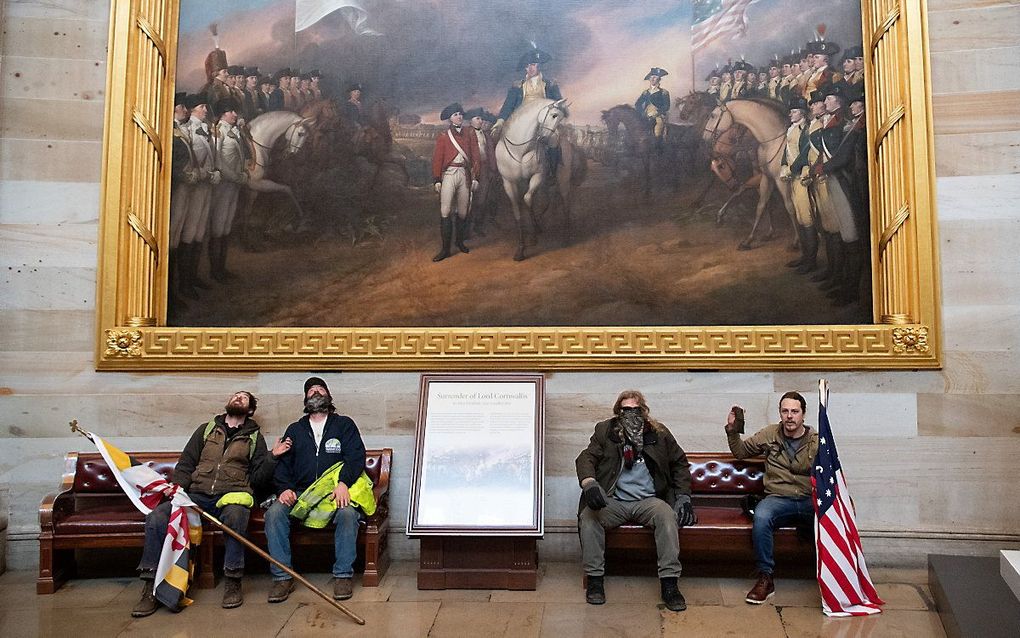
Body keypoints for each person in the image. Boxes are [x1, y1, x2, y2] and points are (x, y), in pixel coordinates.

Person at [131, 391, 286, 616]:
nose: (238, 398)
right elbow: (186, 464)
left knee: (236, 515)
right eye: (236, 396)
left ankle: (233, 581)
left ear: (250, 410)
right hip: (196, 494)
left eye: (243, 398)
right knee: (157, 517)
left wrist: (273, 456)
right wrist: (176, 489)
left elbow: (259, 478)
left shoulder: (254, 438)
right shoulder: (206, 429)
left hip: (231, 495)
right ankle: (149, 585)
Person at [575, 390, 695, 612]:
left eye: (635, 410)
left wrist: (683, 496)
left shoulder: (659, 433)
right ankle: (595, 579)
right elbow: (586, 457)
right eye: (625, 410)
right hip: (615, 500)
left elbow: (679, 463)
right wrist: (590, 482)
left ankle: (669, 583)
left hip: (648, 500)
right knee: (589, 517)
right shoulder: (605, 431)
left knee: (667, 516)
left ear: (644, 411)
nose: (631, 414)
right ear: (618, 412)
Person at [265, 377, 369, 603]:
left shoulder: (344, 425)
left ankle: (342, 575)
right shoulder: (295, 429)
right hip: (301, 492)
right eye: (311, 390)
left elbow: (355, 457)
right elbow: (283, 464)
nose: (315, 392)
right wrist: (284, 488)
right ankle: (283, 577)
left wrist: (344, 484)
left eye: (320, 389)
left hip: (334, 491)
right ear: (305, 399)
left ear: (328, 396)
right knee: (273, 514)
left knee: (348, 514)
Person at [724, 392, 819, 604]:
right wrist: (732, 430)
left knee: (833, 517)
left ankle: (836, 574)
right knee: (762, 515)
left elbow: (831, 473)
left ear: (803, 414)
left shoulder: (816, 441)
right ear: (780, 413)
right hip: (778, 498)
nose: (789, 416)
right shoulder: (770, 434)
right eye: (785, 411)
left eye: (795, 411)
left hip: (807, 499)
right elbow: (740, 452)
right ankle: (766, 577)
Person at [430, 102, 480, 262]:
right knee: (445, 211)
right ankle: (445, 249)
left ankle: (459, 242)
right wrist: (437, 179)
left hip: (464, 174)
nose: (459, 117)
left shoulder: (470, 133)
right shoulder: (444, 136)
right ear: (450, 119)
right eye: (455, 115)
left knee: (463, 211)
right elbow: (438, 159)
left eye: (460, 114)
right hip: (449, 175)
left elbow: (476, 157)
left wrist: (476, 177)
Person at [209, 97, 248, 283]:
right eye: (231, 111)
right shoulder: (218, 131)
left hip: (233, 185)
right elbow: (218, 161)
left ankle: (222, 268)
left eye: (235, 111)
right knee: (217, 226)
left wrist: (243, 173)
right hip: (223, 185)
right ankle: (215, 271)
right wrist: (236, 177)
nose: (235, 114)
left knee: (226, 225)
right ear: (223, 113)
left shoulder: (235, 131)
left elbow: (239, 157)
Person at [464, 107, 498, 237]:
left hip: (484, 170)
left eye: (481, 118)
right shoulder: (465, 134)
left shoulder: (486, 136)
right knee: (467, 200)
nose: (481, 121)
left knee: (482, 199)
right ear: (471, 121)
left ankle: (478, 226)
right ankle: (465, 229)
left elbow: (491, 155)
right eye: (478, 118)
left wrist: (492, 170)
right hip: (469, 170)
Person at [634, 67, 670, 151]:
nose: (653, 79)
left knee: (657, 131)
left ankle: (658, 150)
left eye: (655, 77)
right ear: (649, 79)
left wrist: (656, 113)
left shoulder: (664, 92)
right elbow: (637, 104)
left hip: (658, 116)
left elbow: (666, 106)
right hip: (645, 116)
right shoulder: (645, 92)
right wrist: (643, 112)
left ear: (659, 79)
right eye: (651, 77)